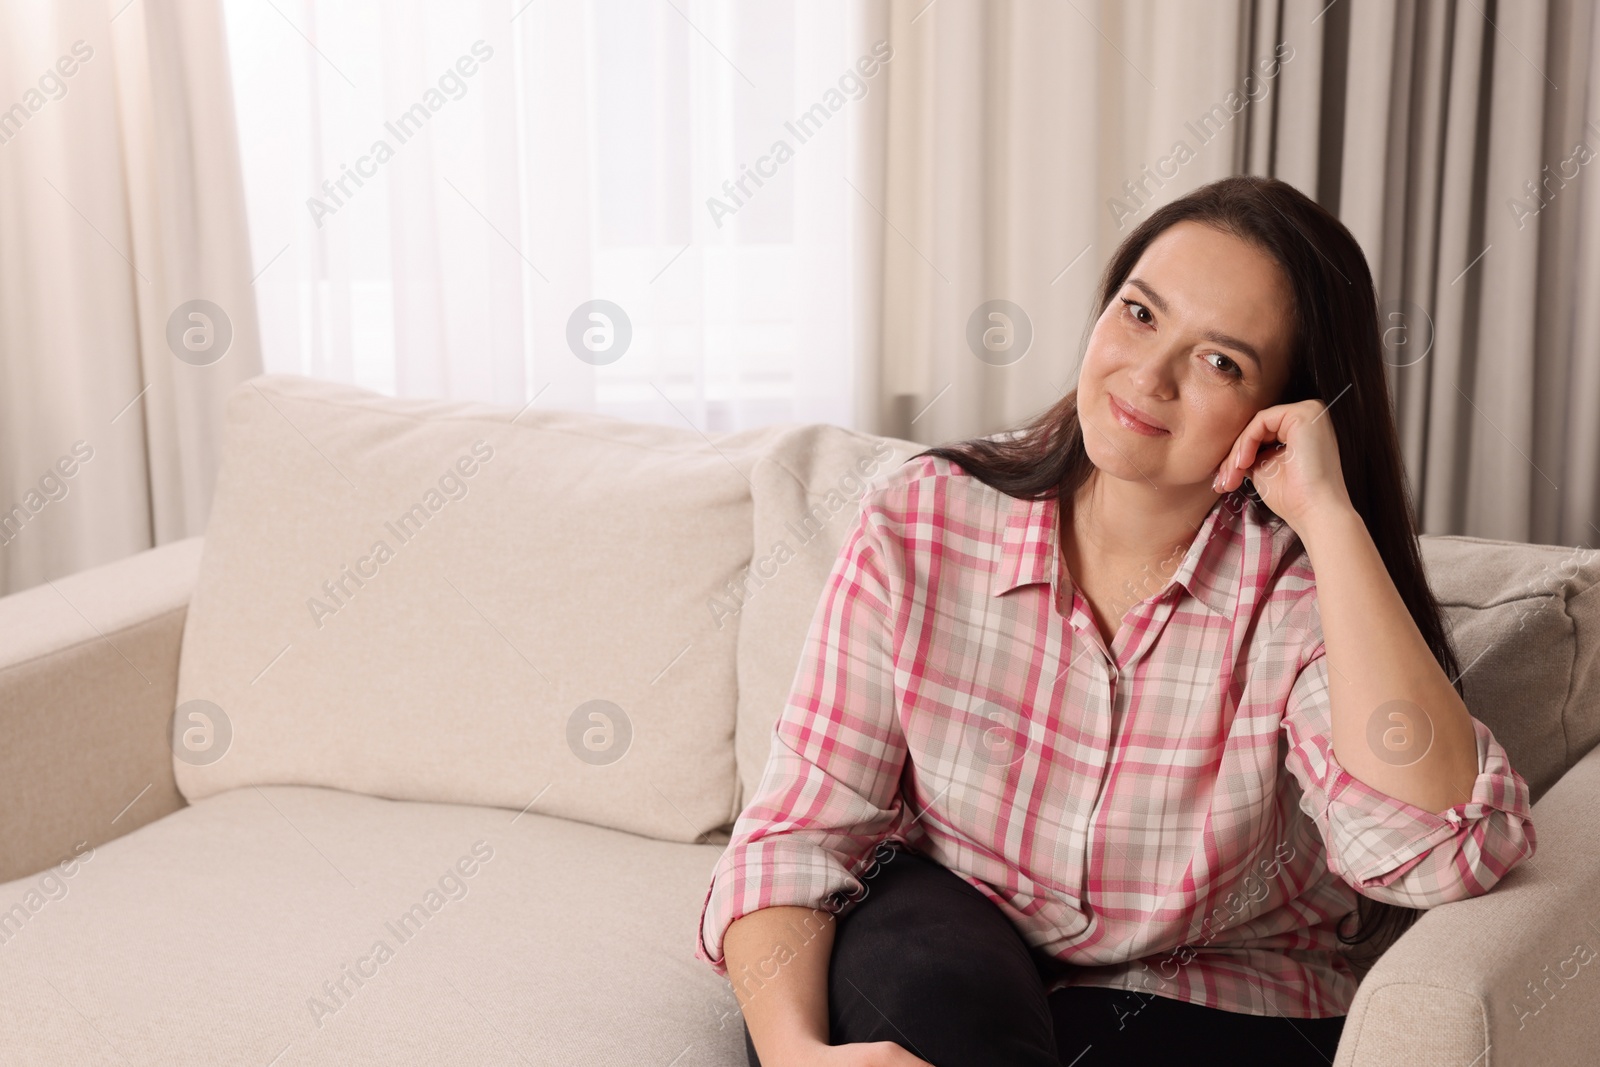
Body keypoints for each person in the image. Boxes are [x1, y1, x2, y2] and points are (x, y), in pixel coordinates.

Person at [693, 174, 1536, 1067]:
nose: (1149, 375)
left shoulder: (1300, 593)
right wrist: (793, 1053)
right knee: (925, 994)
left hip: (1215, 993)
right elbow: (799, 833)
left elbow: (1441, 853)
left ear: (1284, 412)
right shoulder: (923, 517)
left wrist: (1330, 517)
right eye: (1140, 314)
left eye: (1222, 362)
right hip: (956, 950)